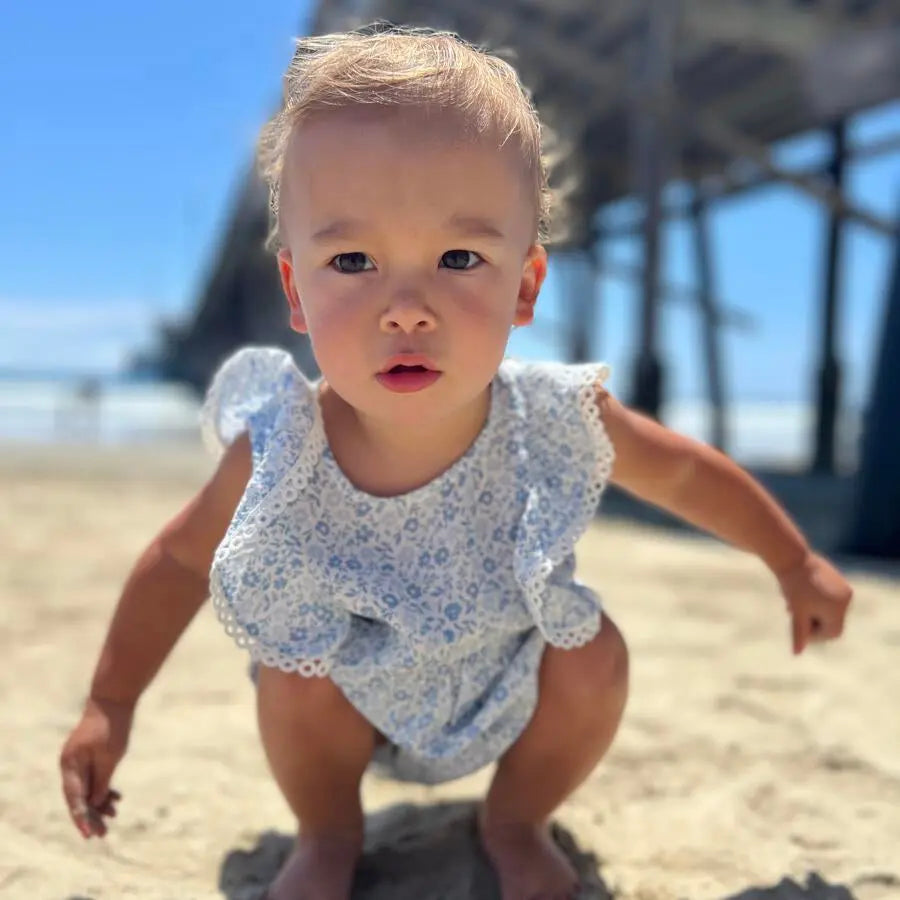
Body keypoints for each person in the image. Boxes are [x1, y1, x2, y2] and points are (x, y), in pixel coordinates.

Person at [58, 25, 853, 900]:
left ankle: (515, 821)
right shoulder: (283, 445)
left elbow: (682, 475)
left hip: (504, 686)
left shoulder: (550, 417)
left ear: (523, 286)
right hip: (347, 698)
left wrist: (793, 560)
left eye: (459, 259)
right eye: (352, 260)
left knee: (597, 654)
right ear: (295, 290)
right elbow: (178, 560)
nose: (406, 307)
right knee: (292, 669)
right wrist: (112, 702)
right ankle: (326, 835)